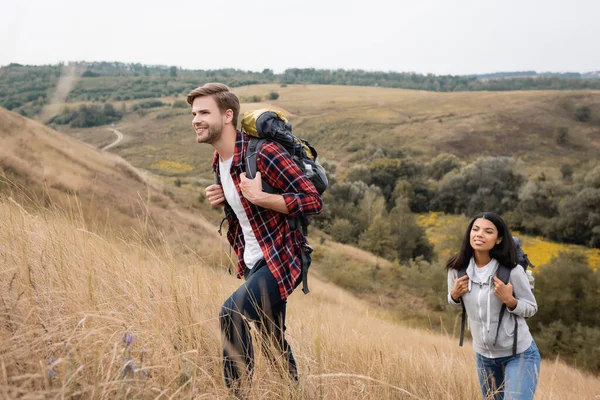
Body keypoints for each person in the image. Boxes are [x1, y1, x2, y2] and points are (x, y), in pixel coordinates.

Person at [186, 83, 322, 394]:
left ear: (228, 115)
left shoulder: (264, 153)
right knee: (272, 339)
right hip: (252, 262)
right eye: (194, 113)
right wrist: (225, 200)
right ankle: (294, 393)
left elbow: (313, 201)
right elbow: (246, 214)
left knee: (231, 313)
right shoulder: (219, 164)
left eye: (204, 112)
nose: (196, 119)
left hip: (282, 259)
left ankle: (238, 394)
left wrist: (261, 198)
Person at [447, 212, 540, 400]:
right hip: (484, 358)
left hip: (519, 354)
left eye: (488, 231)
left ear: (498, 239)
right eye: (475, 229)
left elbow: (531, 307)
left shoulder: (512, 271)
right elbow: (455, 304)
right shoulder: (457, 269)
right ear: (469, 234)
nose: (480, 234)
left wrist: (510, 301)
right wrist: (454, 295)